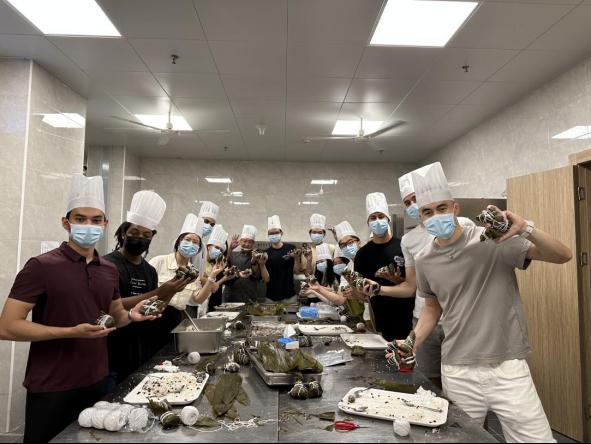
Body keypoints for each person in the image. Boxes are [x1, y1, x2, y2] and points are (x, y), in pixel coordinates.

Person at [391, 162, 572, 443]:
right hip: (457, 368)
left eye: (441, 208)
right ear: (422, 219)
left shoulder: (493, 240)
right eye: (427, 212)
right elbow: (432, 309)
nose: (435, 216)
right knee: (463, 439)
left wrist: (526, 228)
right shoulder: (425, 259)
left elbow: (562, 255)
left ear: (455, 208)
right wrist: (412, 341)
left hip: (507, 366)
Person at [0, 175, 158, 443]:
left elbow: (117, 317)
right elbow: (7, 326)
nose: (89, 226)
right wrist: (70, 331)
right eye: (80, 219)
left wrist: (132, 316)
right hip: (52, 383)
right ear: (66, 223)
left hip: (96, 381)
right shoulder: (42, 266)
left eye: (96, 220)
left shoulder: (108, 270)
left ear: (105, 224)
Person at [389, 169, 476, 387]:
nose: (412, 205)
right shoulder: (409, 241)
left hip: (461, 318)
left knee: (467, 380)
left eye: (415, 199)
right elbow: (413, 286)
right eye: (407, 202)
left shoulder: (464, 225)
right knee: (429, 380)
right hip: (424, 316)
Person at [104, 190, 191, 387]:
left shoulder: (149, 270)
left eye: (146, 235)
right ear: (124, 232)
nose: (139, 238)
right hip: (113, 350)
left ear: (152, 237)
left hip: (142, 348)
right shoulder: (108, 265)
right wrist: (159, 292)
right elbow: (111, 305)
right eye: (134, 232)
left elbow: (154, 308)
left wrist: (171, 291)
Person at [353, 192, 415, 341]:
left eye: (381, 216)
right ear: (368, 222)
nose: (377, 221)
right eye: (373, 218)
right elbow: (362, 295)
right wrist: (356, 290)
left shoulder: (403, 246)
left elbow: (414, 287)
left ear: (388, 219)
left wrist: (397, 281)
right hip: (380, 322)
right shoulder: (362, 254)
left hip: (409, 319)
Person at [149, 214, 216, 317]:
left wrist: (212, 276)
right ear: (178, 242)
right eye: (187, 240)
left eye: (195, 242)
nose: (191, 244)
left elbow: (198, 299)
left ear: (198, 249)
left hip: (176, 316)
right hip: (153, 313)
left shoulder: (193, 272)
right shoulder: (159, 261)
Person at [222, 225, 266, 304]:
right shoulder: (233, 255)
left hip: (249, 297)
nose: (247, 244)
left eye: (250, 242)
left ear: (253, 243)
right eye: (244, 241)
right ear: (240, 241)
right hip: (230, 296)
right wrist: (230, 249)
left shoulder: (257, 256)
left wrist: (254, 261)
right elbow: (223, 267)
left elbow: (257, 276)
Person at [262, 215, 298, 304]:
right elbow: (266, 279)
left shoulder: (291, 248)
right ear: (268, 235)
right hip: (271, 297)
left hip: (289, 296)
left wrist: (296, 258)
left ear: (281, 233)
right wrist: (261, 264)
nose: (274, 235)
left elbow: (297, 271)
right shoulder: (266, 253)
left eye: (276, 232)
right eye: (271, 233)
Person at [202, 225, 235, 310]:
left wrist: (226, 277)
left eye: (221, 250)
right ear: (208, 246)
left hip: (206, 302)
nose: (218, 251)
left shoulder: (212, 265)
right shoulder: (200, 262)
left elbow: (213, 287)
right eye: (216, 247)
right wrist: (224, 278)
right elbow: (212, 287)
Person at [194, 201, 219, 280]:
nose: (209, 226)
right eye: (206, 221)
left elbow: (199, 273)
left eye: (212, 224)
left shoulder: (203, 247)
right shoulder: (186, 242)